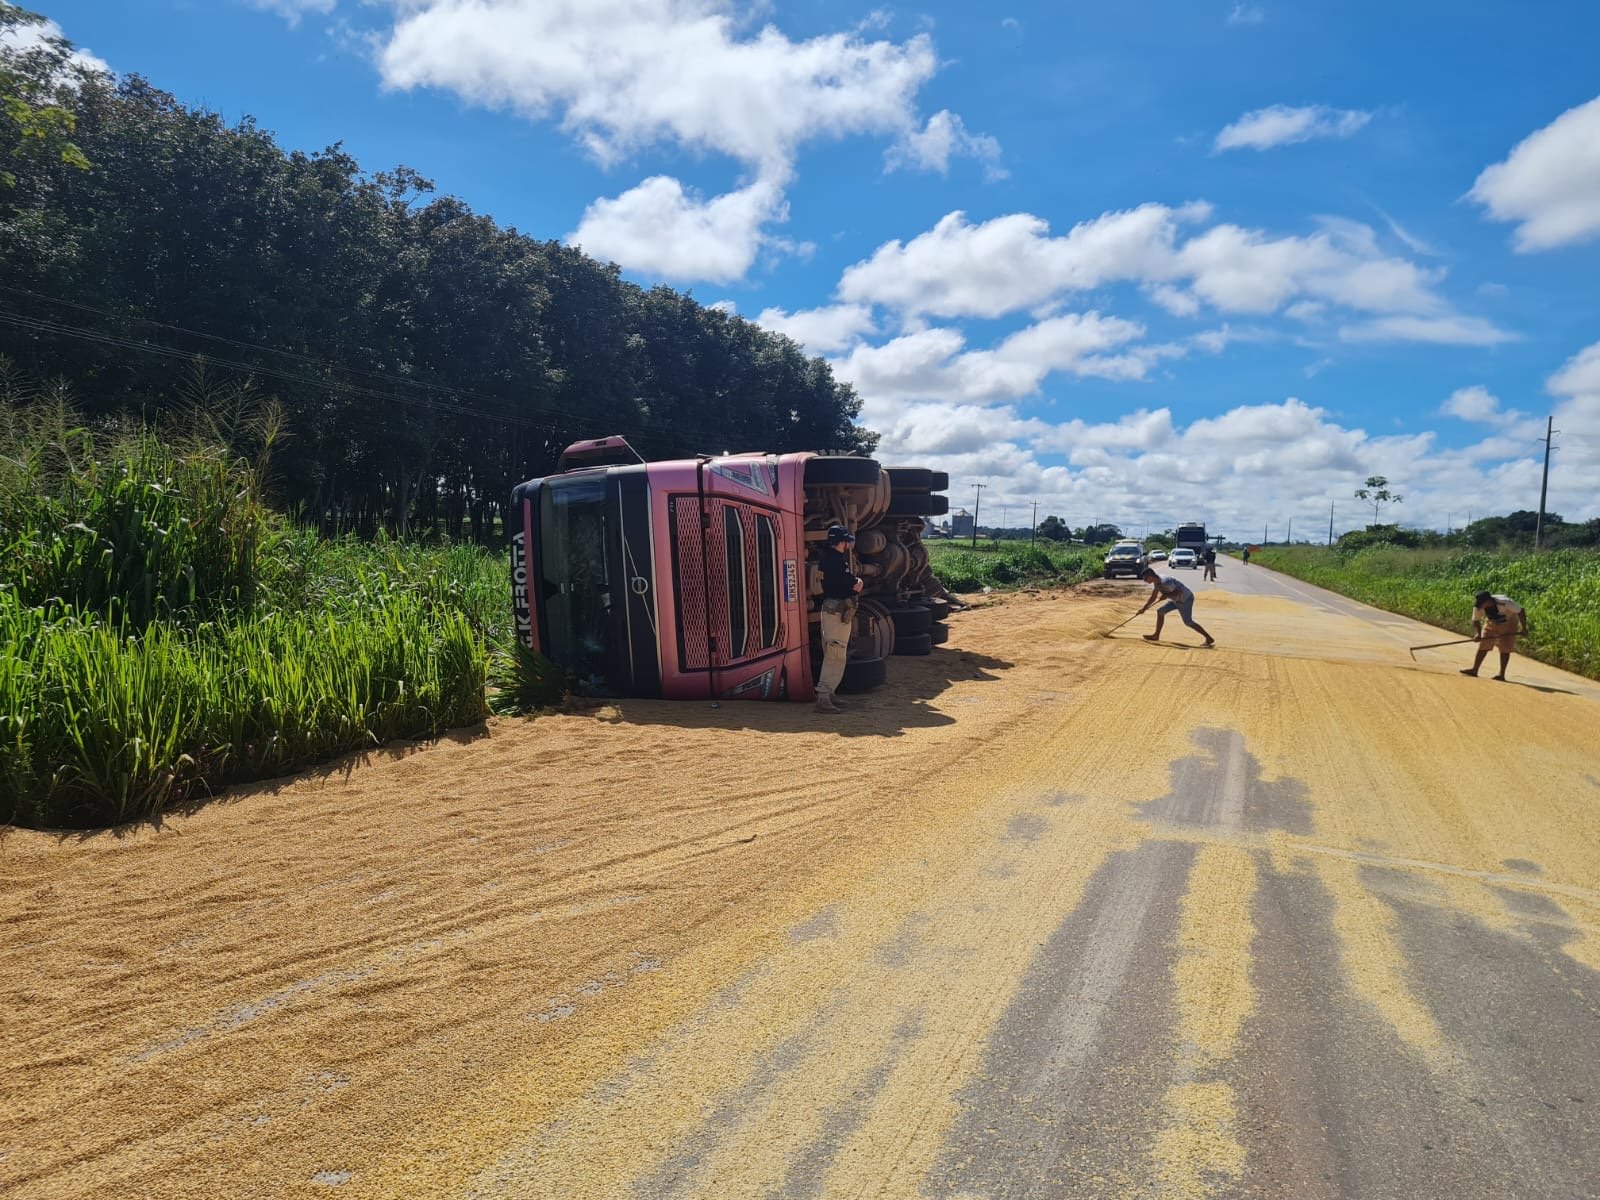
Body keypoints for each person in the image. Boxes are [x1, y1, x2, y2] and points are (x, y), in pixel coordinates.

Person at [814, 524, 864, 713]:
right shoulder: (837, 561)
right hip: (837, 612)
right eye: (845, 540)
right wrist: (858, 581)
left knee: (832, 653)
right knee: (836, 654)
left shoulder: (824, 560)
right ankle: (824, 696)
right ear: (841, 541)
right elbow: (854, 585)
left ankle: (830, 693)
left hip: (829, 609)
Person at [1137, 567, 1215, 647]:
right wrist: (1144, 608)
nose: (1144, 580)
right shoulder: (1157, 582)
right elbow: (1153, 597)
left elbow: (1178, 593)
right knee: (1160, 611)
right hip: (1176, 600)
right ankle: (1156, 635)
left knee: (1188, 622)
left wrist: (1166, 595)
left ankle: (1209, 638)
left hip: (1185, 599)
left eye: (1145, 578)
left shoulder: (1166, 582)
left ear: (1151, 576)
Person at [1461, 590, 1529, 681]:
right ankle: (1474, 669)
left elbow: (1521, 611)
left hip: (1509, 622)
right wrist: (1478, 633)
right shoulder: (1478, 607)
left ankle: (1501, 674)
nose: (1481, 606)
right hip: (1492, 622)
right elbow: (1476, 620)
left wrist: (1524, 628)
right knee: (1484, 643)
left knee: (1505, 646)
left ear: (1489, 601)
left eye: (1483, 603)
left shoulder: (1505, 602)